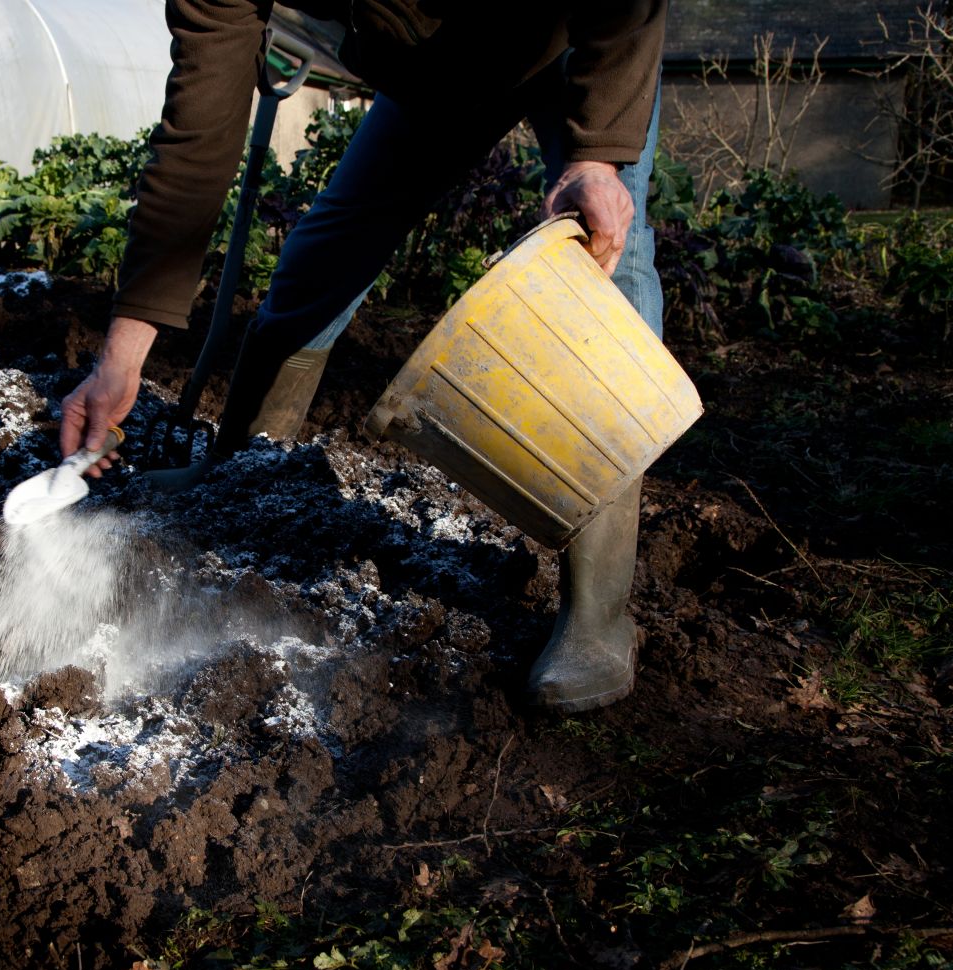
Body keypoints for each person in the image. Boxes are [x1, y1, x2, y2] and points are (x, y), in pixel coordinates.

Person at [58, 1, 668, 713]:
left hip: (571, 47)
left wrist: (597, 155)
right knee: (326, 254)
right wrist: (120, 360)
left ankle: (599, 613)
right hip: (438, 76)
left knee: (604, 264)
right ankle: (243, 472)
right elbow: (196, 135)